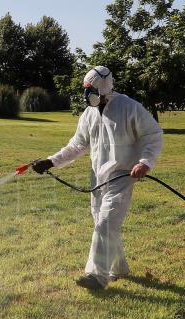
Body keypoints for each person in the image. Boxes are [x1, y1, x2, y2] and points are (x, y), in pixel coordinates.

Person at [32, 66, 163, 290]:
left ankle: (96, 275)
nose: (87, 94)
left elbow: (153, 135)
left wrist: (145, 162)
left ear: (104, 87)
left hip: (122, 175)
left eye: (91, 89)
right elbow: (77, 145)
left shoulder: (129, 108)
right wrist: (51, 161)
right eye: (85, 89)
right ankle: (119, 268)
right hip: (97, 178)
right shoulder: (89, 114)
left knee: (105, 223)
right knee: (104, 225)